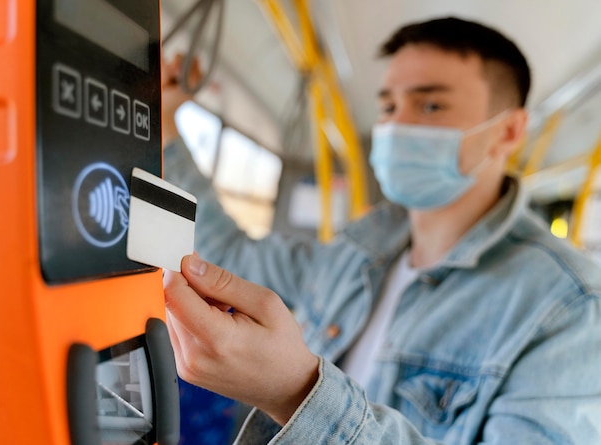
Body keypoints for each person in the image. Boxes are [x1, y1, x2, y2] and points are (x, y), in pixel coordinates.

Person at [162, 17, 601, 444]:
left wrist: (297, 394)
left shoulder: (569, 307)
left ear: (508, 131)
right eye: (389, 106)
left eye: (430, 105)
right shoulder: (358, 252)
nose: (395, 126)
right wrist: (167, 138)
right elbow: (229, 255)